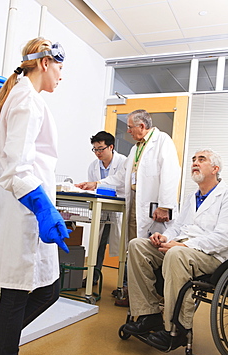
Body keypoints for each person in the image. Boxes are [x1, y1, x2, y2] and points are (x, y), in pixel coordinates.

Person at [0, 37, 70, 355]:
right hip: (25, 212)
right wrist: (43, 208)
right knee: (19, 297)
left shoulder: (23, 96)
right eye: (60, 67)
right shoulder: (26, 100)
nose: (62, 75)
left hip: (25, 211)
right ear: (45, 63)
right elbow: (17, 168)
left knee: (41, 293)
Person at [123, 149, 228, 352]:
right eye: (193, 160)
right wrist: (165, 237)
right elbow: (178, 227)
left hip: (212, 256)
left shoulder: (225, 196)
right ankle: (149, 315)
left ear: (215, 169)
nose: (195, 163)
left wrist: (183, 246)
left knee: (175, 254)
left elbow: (224, 237)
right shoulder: (192, 197)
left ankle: (177, 329)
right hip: (182, 248)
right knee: (137, 245)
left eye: (201, 159)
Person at [76, 109, 180, 304]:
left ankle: (156, 297)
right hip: (135, 206)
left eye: (130, 127)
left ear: (142, 126)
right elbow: (120, 177)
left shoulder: (162, 141)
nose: (128, 131)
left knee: (154, 252)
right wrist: (96, 184)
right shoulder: (135, 149)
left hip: (154, 209)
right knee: (134, 251)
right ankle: (136, 296)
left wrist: (165, 206)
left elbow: (171, 172)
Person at [82, 131, 126, 287]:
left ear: (111, 147)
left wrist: (98, 184)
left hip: (119, 209)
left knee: (123, 248)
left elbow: (121, 184)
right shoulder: (93, 166)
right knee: (97, 244)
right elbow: (93, 188)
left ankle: (124, 282)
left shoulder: (123, 162)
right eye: (95, 149)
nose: (98, 153)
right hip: (102, 209)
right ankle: (92, 277)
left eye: (101, 149)